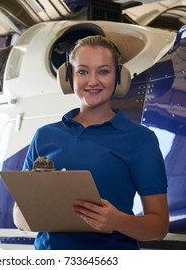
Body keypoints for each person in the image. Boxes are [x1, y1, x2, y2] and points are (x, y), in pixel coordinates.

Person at [13, 35, 169, 250]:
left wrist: (118, 222)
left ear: (118, 77)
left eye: (103, 71)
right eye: (83, 71)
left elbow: (159, 227)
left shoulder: (141, 139)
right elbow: (20, 218)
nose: (93, 81)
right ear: (69, 77)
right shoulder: (44, 136)